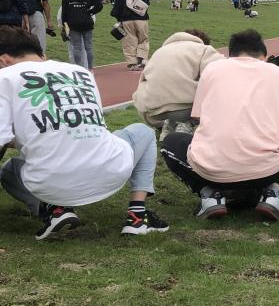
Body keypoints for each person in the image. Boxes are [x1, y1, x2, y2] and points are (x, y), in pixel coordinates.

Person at [0, 26, 168, 239]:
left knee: (10, 170)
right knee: (143, 132)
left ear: (4, 60)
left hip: (50, 181)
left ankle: (54, 210)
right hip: (110, 170)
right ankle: (137, 216)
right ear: (41, 54)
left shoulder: (5, 78)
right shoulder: (80, 72)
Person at [161, 30, 279, 222]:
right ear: (263, 55)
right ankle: (272, 193)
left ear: (231, 54)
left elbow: (198, 117)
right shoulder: (278, 73)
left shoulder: (212, 69)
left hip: (211, 172)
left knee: (171, 142)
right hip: (265, 172)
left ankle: (209, 194)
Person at [132, 29, 222, 138]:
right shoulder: (203, 50)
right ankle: (188, 123)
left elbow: (142, 82)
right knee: (216, 89)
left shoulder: (159, 52)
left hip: (152, 111)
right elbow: (219, 74)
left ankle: (168, 124)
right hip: (185, 108)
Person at [60, 0, 103, 69]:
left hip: (73, 24)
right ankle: (90, 68)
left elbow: (64, 11)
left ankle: (79, 68)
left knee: (76, 47)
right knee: (89, 47)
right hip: (87, 22)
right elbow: (99, 5)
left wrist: (64, 25)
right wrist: (90, 12)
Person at [111, 0, 151, 70]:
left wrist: (119, 18)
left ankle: (132, 63)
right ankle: (142, 59)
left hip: (126, 19)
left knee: (129, 41)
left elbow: (117, 6)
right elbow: (146, 2)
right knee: (143, 39)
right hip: (141, 19)